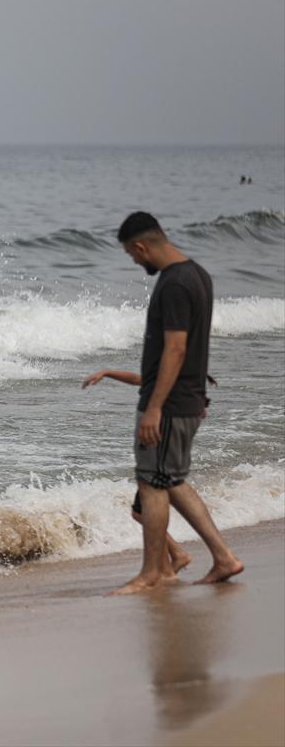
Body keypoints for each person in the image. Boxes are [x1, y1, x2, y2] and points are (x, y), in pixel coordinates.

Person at [84, 211, 242, 595]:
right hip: (185, 397)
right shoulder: (198, 275)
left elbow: (175, 346)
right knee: (171, 480)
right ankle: (223, 558)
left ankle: (152, 572)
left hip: (168, 404)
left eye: (131, 255)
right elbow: (192, 341)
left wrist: (154, 407)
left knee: (152, 483)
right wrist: (194, 379)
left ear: (141, 246)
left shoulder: (173, 284)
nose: (135, 262)